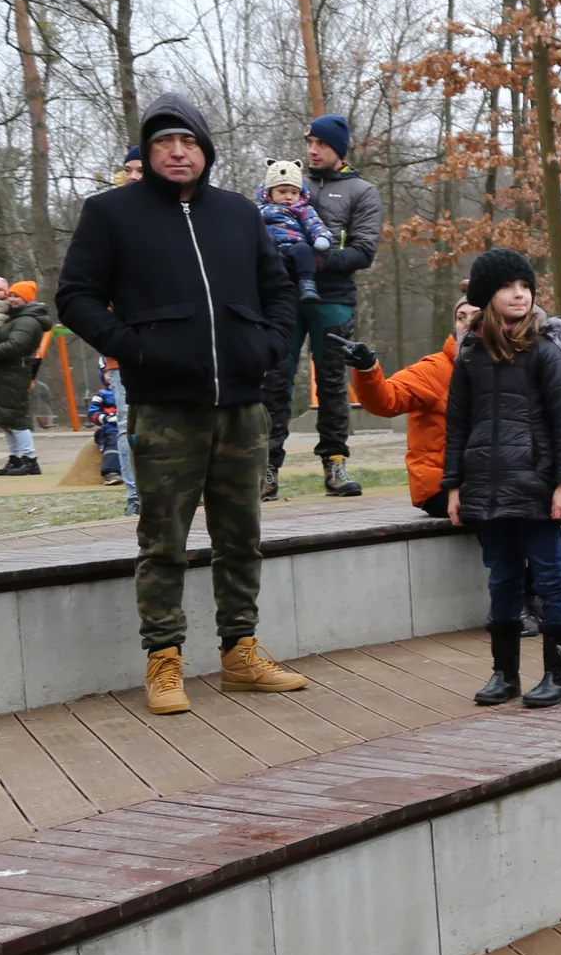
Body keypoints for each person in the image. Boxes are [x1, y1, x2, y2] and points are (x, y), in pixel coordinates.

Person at [58, 93, 310, 716]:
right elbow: (76, 296)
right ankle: (164, 659)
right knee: (163, 539)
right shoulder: (111, 213)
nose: (178, 151)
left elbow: (278, 290)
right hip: (164, 407)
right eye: (165, 141)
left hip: (243, 406)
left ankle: (241, 653)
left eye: (189, 141)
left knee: (241, 536)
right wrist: (131, 349)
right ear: (147, 151)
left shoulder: (237, 214)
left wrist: (271, 346)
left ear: (206, 151)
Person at [339, 307, 561, 561]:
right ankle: (538, 582)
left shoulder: (518, 365)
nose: (468, 322)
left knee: (535, 484)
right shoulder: (434, 370)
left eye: (478, 315)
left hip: (503, 472)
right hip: (444, 483)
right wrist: (368, 369)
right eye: (461, 316)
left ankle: (558, 573)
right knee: (516, 494)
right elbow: (386, 401)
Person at [443, 254, 561, 707]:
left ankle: (560, 674)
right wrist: (454, 486)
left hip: (538, 487)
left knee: (550, 578)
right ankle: (505, 674)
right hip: (485, 486)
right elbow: (458, 424)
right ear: (487, 298)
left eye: (525, 285)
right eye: (507, 286)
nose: (519, 293)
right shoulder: (469, 355)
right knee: (502, 579)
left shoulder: (545, 352)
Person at [259, 115, 381, 500]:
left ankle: (335, 465)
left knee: (331, 385)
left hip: (333, 301)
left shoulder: (362, 192)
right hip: (281, 300)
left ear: (338, 150)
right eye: (309, 142)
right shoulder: (289, 181)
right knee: (274, 382)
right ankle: (266, 471)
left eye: (321, 144)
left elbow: (363, 252)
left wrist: (308, 261)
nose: (312, 150)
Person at [0, 278, 54, 475]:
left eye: (17, 296)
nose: (12, 299)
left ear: (27, 299)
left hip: (13, 373)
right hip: (5, 373)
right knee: (6, 420)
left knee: (16, 420)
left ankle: (29, 459)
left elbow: (15, 346)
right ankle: (16, 458)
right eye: (12, 295)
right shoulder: (16, 318)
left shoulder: (27, 321)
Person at [254, 160, 334, 304]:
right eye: (282, 192)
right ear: (269, 193)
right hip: (269, 248)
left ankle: (307, 283)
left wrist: (321, 236)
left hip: (294, 244)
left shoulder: (302, 209)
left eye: (294, 192)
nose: (289, 197)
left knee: (304, 250)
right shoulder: (259, 210)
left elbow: (313, 223)